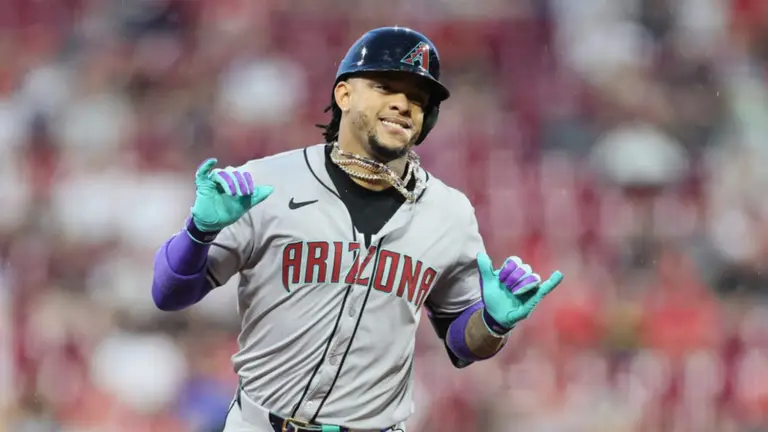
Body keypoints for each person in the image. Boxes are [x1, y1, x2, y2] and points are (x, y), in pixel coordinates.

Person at [151, 26, 564, 432]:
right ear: (344, 94)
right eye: (386, 87)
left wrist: (492, 324)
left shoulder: (450, 213)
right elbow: (169, 294)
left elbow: (462, 344)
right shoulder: (267, 183)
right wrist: (198, 233)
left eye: (418, 98)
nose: (403, 104)